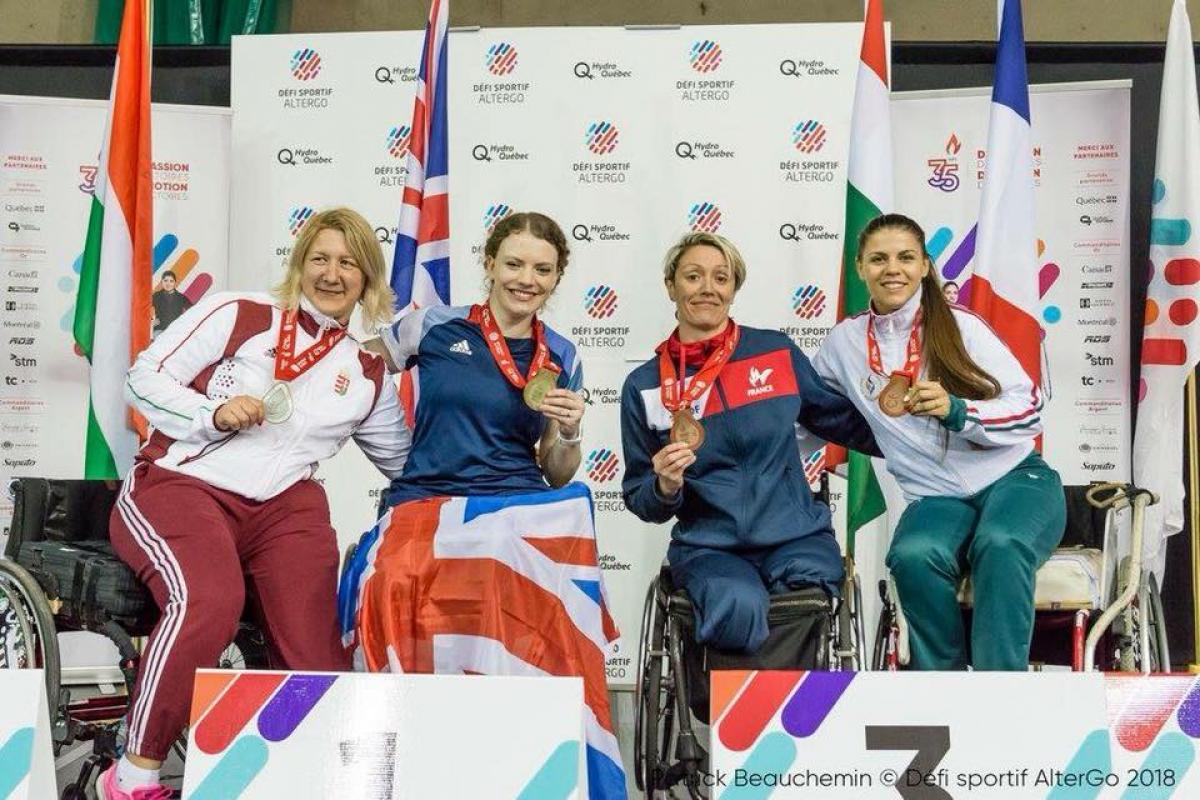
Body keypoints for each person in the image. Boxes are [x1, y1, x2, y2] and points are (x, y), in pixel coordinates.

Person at [98, 207, 411, 800]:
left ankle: (322, 782)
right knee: (210, 600)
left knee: (318, 646)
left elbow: (408, 466)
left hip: (281, 507)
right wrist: (208, 414)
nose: (332, 273)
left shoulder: (367, 371)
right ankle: (132, 775)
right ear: (299, 264)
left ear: (367, 279)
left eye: (348, 263)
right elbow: (142, 377)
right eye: (319, 258)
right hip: (185, 483)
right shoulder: (240, 312)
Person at [343, 212, 625, 799]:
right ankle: (402, 757)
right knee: (394, 578)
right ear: (490, 264)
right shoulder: (431, 326)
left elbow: (555, 469)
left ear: (556, 277)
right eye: (515, 263)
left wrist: (569, 434)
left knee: (527, 576)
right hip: (427, 497)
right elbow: (354, 372)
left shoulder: (562, 354)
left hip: (516, 504)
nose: (527, 279)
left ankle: (531, 756)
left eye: (542, 269)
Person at [812, 212, 1065, 671]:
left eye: (906, 257)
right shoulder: (843, 344)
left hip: (1015, 479)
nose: (894, 269)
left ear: (926, 266)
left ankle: (1000, 686)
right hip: (936, 496)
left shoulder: (960, 326)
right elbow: (809, 415)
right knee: (912, 555)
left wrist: (959, 411)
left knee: (1001, 542)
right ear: (860, 267)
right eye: (880, 258)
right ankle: (942, 688)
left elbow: (1029, 407)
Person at [620, 231, 879, 656]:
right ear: (671, 286)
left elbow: (840, 421)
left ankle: (792, 716)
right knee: (736, 602)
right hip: (710, 546)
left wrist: (924, 441)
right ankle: (738, 718)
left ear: (734, 289)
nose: (707, 288)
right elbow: (639, 496)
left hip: (794, 535)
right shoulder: (644, 386)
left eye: (721, 278)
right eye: (693, 276)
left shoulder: (774, 352)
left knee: (808, 589)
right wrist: (665, 486)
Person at [151, 269, 193, 336]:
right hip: (159, 330)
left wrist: (185, 324)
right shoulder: (156, 296)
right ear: (162, 282)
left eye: (171, 281)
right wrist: (151, 321)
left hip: (176, 331)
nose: (168, 284)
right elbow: (143, 308)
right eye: (165, 281)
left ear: (175, 283)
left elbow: (193, 311)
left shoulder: (181, 297)